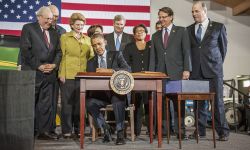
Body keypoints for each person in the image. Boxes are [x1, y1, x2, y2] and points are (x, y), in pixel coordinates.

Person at [187, 1, 229, 141]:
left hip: (213, 72)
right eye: (192, 12)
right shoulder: (188, 29)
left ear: (204, 11)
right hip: (196, 72)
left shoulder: (218, 27)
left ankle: (223, 131)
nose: (194, 14)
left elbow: (223, 50)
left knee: (217, 102)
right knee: (198, 104)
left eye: (196, 11)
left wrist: (214, 65)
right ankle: (200, 130)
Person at [149, 7, 192, 139]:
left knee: (179, 104)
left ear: (171, 16)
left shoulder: (181, 31)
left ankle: (181, 131)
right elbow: (153, 57)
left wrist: (187, 69)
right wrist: (151, 75)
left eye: (164, 17)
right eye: (160, 17)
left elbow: (186, 51)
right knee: (161, 103)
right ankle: (163, 131)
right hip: (160, 75)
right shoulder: (155, 35)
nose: (161, 19)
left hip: (177, 73)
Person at [20, 6, 62, 140]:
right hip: (33, 73)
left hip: (49, 74)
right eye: (48, 18)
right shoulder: (28, 28)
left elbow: (59, 52)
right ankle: (28, 131)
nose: (50, 21)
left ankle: (43, 132)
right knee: (29, 103)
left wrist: (54, 65)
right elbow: (25, 50)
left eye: (52, 19)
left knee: (45, 105)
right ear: (39, 17)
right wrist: (39, 66)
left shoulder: (55, 33)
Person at [86, 33, 131, 145]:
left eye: (99, 44)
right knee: (89, 102)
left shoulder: (116, 55)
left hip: (116, 93)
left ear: (105, 42)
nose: (97, 47)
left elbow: (127, 69)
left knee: (118, 100)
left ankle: (120, 134)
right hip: (101, 95)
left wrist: (111, 71)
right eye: (94, 45)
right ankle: (106, 128)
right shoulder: (90, 62)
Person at [58, 13, 94, 138]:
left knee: (80, 105)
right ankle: (67, 130)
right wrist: (61, 73)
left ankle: (79, 129)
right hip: (67, 75)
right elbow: (61, 56)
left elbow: (91, 56)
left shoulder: (87, 39)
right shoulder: (64, 37)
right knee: (67, 105)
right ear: (72, 25)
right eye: (77, 24)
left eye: (82, 25)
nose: (80, 27)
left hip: (83, 76)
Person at [123, 24, 150, 136]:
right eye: (137, 31)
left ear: (146, 33)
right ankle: (136, 130)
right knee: (137, 105)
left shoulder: (151, 45)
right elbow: (124, 63)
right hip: (135, 80)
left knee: (149, 104)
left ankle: (151, 129)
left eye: (142, 31)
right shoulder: (129, 46)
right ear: (134, 35)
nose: (139, 33)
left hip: (149, 80)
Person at [48, 4, 66, 136]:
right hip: (47, 71)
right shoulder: (39, 29)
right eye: (53, 16)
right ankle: (47, 128)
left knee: (62, 102)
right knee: (49, 101)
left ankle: (61, 129)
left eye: (57, 16)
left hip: (61, 71)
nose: (55, 18)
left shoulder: (62, 31)